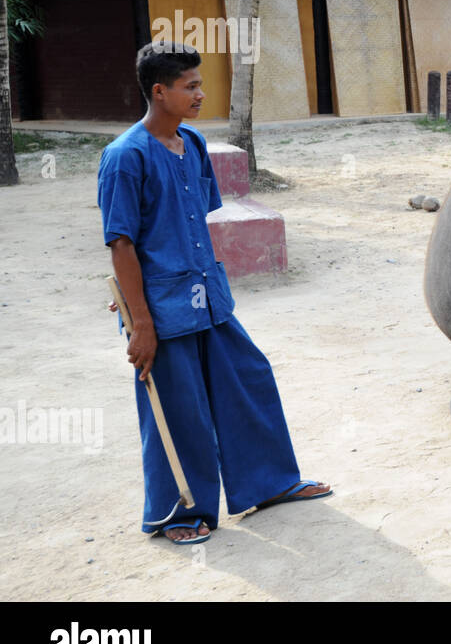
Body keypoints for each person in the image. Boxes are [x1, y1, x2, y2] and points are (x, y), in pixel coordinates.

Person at [99, 41, 331, 544]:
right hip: (159, 310)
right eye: (191, 86)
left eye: (200, 84)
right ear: (159, 92)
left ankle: (269, 484)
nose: (201, 94)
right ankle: (180, 514)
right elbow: (121, 243)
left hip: (207, 293)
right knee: (178, 408)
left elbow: (193, 218)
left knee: (248, 377)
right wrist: (140, 321)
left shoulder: (194, 143)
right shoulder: (123, 158)